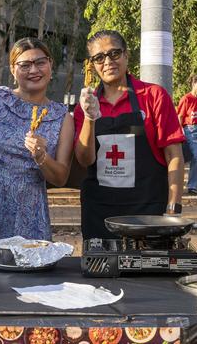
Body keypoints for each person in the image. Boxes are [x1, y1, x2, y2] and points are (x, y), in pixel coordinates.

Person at [0, 37, 74, 253]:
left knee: (28, 281)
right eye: (25, 65)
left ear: (50, 66)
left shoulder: (62, 117)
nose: (34, 70)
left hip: (28, 211)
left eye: (40, 62)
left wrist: (42, 157)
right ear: (13, 70)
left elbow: (60, 177)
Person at [74, 30, 185, 240]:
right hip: (99, 213)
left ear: (126, 55)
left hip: (148, 213)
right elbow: (84, 160)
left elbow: (174, 156)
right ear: (92, 64)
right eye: (99, 57)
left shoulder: (154, 96)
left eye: (114, 53)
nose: (107, 62)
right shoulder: (84, 106)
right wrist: (90, 117)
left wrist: (173, 208)